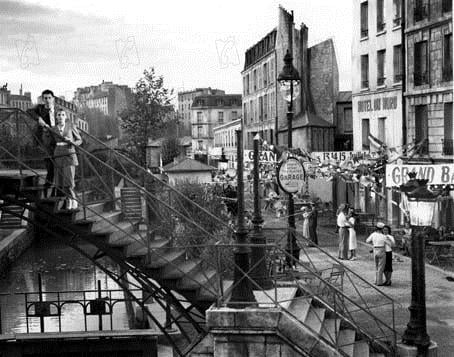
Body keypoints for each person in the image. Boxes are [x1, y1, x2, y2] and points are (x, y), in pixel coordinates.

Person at [50, 109, 82, 210]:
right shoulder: (53, 129)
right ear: (56, 117)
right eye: (58, 115)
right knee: (60, 181)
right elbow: (50, 142)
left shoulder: (70, 126)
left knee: (69, 180)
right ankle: (68, 201)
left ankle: (74, 200)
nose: (60, 117)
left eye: (62, 115)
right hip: (58, 155)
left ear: (66, 117)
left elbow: (79, 140)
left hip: (69, 155)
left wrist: (71, 141)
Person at [27, 89, 57, 197]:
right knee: (50, 162)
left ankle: (51, 188)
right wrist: (39, 118)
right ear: (43, 99)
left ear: (53, 99)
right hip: (45, 139)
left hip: (57, 139)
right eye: (45, 98)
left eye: (49, 98)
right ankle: (48, 187)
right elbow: (29, 111)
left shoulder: (58, 110)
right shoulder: (40, 108)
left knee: (57, 163)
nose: (48, 100)